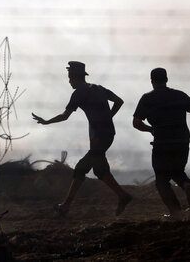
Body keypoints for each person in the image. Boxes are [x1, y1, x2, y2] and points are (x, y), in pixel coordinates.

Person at [32, 61, 133, 216]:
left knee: (81, 168)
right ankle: (123, 196)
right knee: (100, 171)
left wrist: (46, 122)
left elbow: (64, 116)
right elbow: (119, 101)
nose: (69, 81)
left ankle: (66, 206)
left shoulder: (79, 93)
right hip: (107, 133)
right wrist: (108, 117)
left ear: (74, 77)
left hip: (99, 136)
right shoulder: (98, 88)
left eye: (69, 78)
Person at [132, 68, 190, 218]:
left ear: (152, 81)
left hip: (162, 142)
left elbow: (136, 122)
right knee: (177, 171)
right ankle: (187, 186)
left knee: (161, 181)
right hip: (182, 141)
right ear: (166, 79)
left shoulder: (147, 99)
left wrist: (150, 129)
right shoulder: (178, 95)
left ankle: (176, 212)